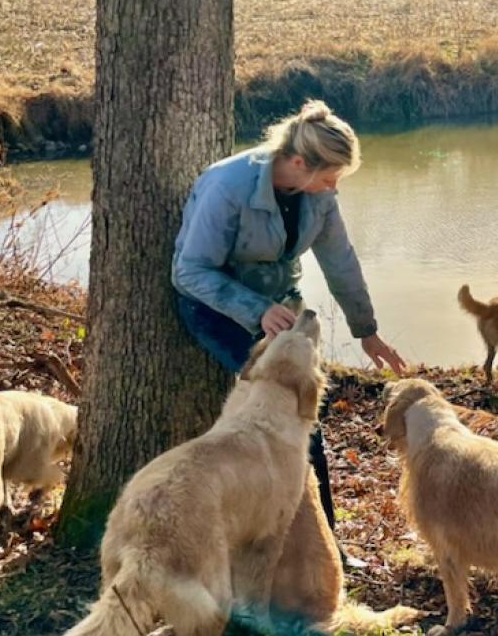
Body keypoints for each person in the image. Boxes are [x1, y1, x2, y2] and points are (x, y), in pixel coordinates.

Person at [171, 98, 406, 550]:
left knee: (301, 425)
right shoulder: (228, 185)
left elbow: (341, 262)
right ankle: (302, 546)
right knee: (291, 422)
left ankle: (320, 545)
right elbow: (190, 271)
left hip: (278, 311)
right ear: (298, 162)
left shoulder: (317, 195)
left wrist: (366, 330)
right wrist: (254, 309)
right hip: (214, 308)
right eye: (329, 177)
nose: (333, 187)